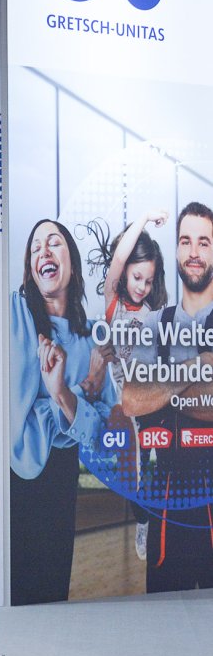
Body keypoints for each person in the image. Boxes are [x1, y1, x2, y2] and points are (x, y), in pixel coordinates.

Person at [11, 219, 116, 605]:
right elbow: (16, 419)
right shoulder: (15, 316)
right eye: (35, 247)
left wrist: (61, 394)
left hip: (61, 477)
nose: (44, 251)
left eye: (53, 242)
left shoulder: (92, 338)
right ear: (30, 268)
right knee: (19, 595)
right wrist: (82, 393)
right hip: (18, 477)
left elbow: (104, 436)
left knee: (54, 593)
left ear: (71, 261)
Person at [122, 202, 213, 593]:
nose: (194, 252)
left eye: (204, 242)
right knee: (162, 616)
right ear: (176, 250)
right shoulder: (155, 323)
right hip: (166, 502)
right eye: (185, 241)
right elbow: (131, 399)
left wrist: (160, 387)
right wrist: (196, 368)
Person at [86, 211, 169, 560]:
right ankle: (143, 521)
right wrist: (145, 219)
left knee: (164, 462)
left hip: (155, 399)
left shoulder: (152, 312)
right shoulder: (113, 305)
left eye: (148, 281)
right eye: (137, 277)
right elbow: (119, 258)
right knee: (136, 472)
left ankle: (162, 523)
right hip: (130, 404)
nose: (141, 286)